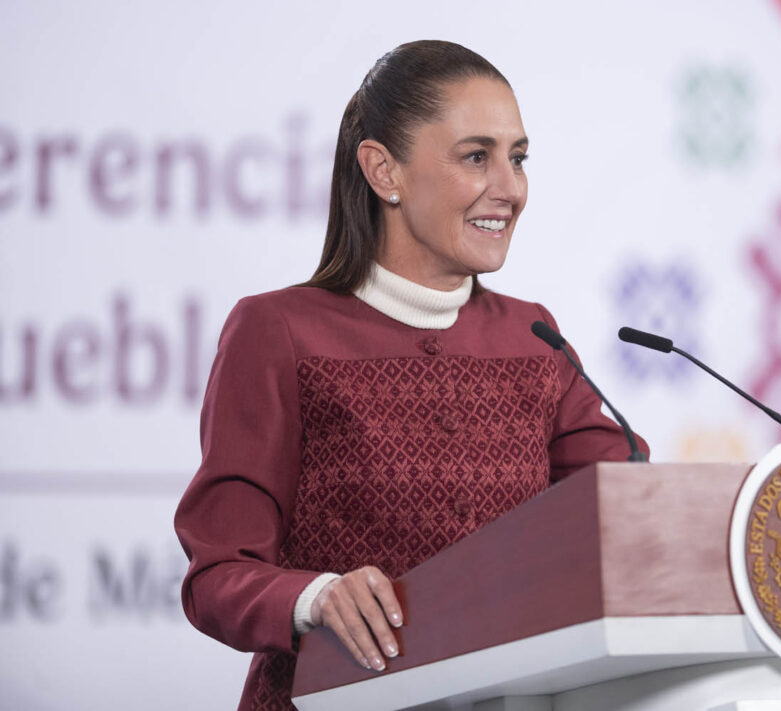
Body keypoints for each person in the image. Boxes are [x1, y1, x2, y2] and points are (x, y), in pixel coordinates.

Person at [174, 40, 649, 711]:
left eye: (518, 158)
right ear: (383, 170)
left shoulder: (533, 337)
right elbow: (219, 574)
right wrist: (315, 596)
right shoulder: (278, 331)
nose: (511, 189)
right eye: (476, 156)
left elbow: (623, 507)